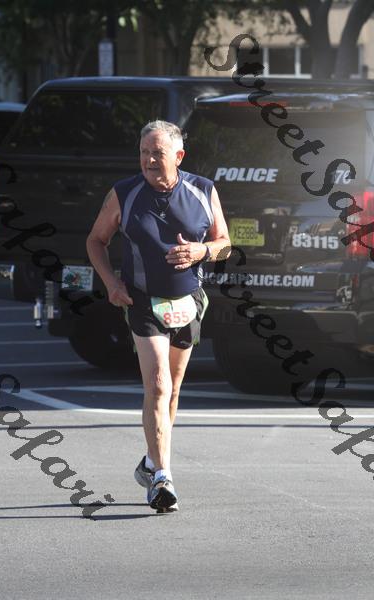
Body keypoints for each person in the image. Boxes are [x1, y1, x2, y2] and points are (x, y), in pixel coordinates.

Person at [86, 120, 231, 512]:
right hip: (142, 301)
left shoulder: (203, 190)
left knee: (173, 389)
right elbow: (96, 241)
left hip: (188, 301)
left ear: (179, 156)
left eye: (158, 153)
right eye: (144, 152)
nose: (149, 160)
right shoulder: (124, 193)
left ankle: (150, 462)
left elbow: (224, 244)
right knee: (157, 385)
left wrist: (201, 252)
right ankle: (163, 477)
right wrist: (112, 283)